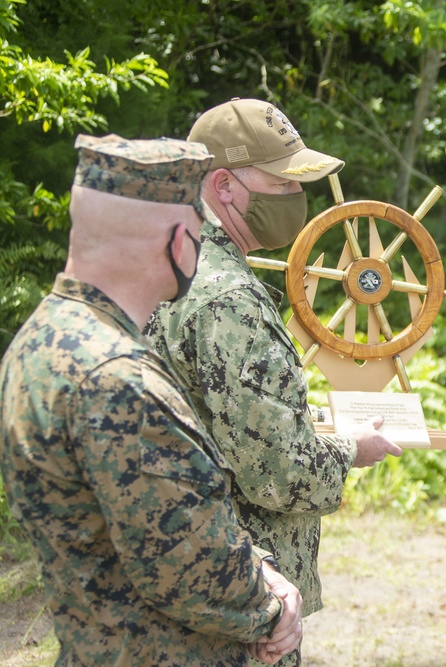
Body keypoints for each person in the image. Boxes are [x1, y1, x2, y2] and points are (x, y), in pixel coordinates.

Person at [0, 134, 304, 666]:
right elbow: (190, 569)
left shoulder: (43, 338)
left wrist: (256, 565)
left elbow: (150, 520)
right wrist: (274, 607)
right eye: (196, 228)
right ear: (178, 239)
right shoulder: (120, 383)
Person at [145, 98, 403, 665]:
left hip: (182, 577)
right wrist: (352, 450)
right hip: (239, 597)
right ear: (225, 186)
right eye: (283, 184)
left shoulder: (168, 265)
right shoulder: (227, 298)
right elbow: (275, 473)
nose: (297, 200)